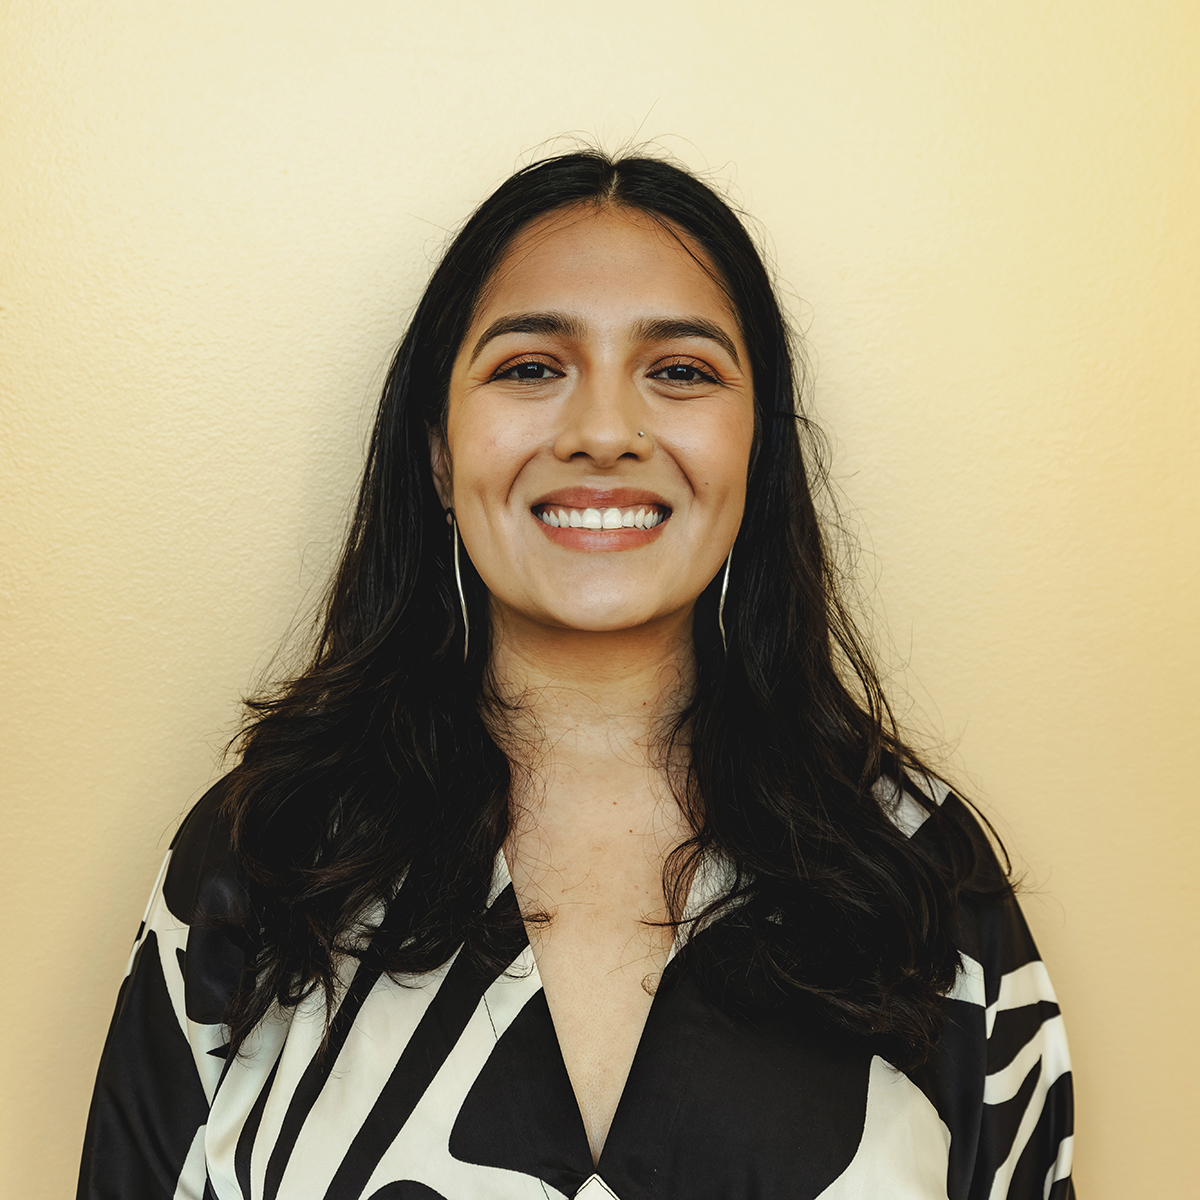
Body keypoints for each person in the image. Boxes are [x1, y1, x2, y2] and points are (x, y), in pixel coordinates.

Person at [78, 151, 1075, 1200]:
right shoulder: (264, 856)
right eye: (530, 367)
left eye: (681, 371)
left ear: (755, 450)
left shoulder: (919, 877)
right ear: (435, 451)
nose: (604, 433)